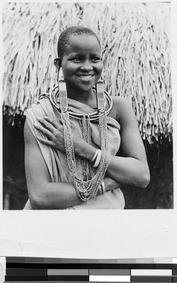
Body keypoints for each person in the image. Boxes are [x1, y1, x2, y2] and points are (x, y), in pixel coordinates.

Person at [23, 26, 150, 210]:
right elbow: (40, 196)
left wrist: (80, 148)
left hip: (107, 221)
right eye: (77, 58)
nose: (87, 66)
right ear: (58, 64)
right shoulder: (41, 116)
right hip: (53, 224)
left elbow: (142, 176)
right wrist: (105, 184)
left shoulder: (118, 108)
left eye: (95, 58)